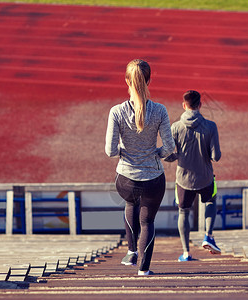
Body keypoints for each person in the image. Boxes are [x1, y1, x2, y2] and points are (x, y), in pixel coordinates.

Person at [105, 59, 175, 275]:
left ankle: (131, 251)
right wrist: (156, 154)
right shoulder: (160, 111)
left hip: (125, 178)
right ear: (149, 80)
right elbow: (169, 147)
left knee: (130, 203)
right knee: (147, 222)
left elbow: (110, 151)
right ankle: (143, 269)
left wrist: (124, 152)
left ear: (126, 80)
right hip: (153, 179)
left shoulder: (116, 112)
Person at [164, 90, 221, 262]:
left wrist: (178, 156)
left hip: (183, 179)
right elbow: (215, 157)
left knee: (183, 212)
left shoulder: (174, 127)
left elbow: (167, 155)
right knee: (210, 201)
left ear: (184, 105)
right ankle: (208, 236)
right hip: (205, 177)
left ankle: (186, 253)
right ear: (200, 105)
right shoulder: (211, 126)